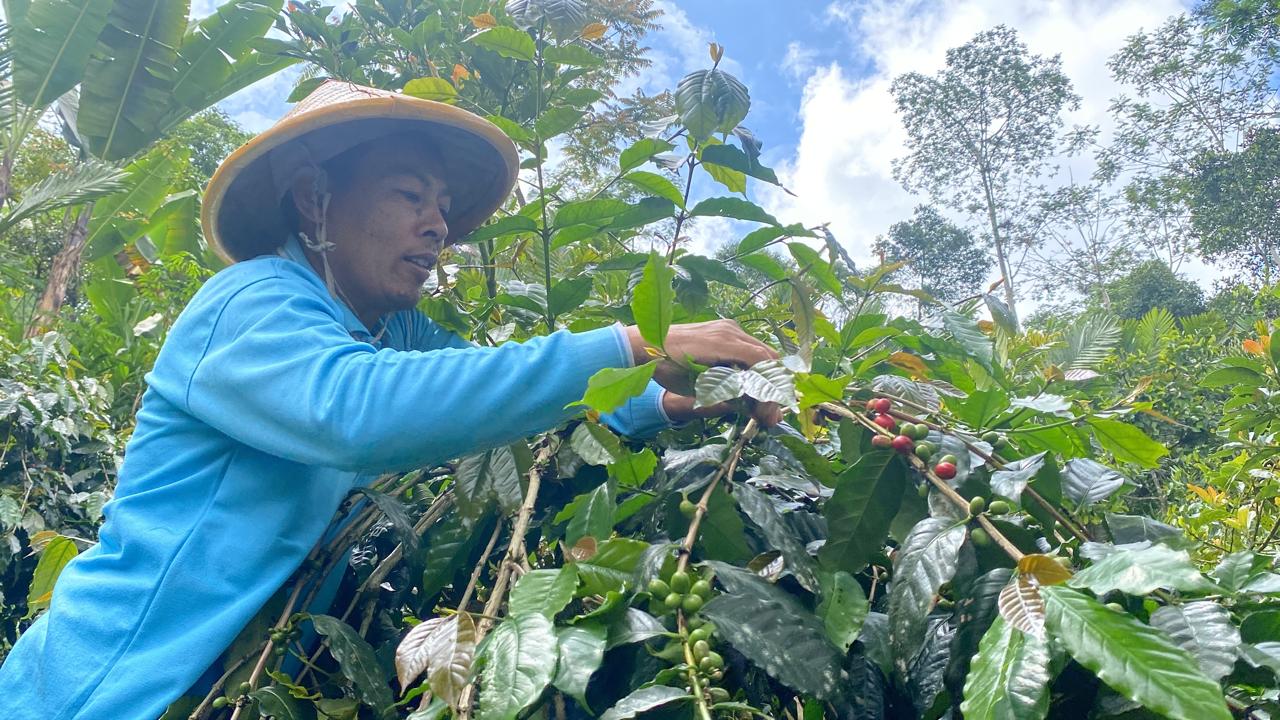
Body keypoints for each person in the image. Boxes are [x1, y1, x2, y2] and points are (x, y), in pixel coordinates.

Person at [0, 81, 781, 719]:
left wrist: (676, 402)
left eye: (442, 206)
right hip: (99, 689)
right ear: (313, 202)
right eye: (409, 193)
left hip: (229, 691)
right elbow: (356, 412)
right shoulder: (252, 300)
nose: (438, 225)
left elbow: (509, 400)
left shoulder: (391, 333)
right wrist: (633, 340)